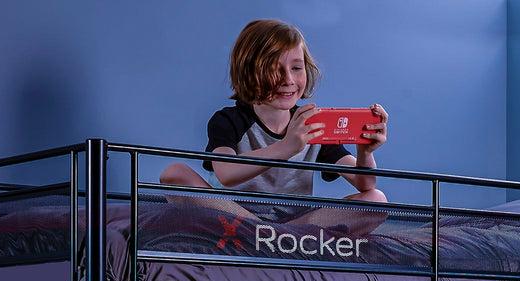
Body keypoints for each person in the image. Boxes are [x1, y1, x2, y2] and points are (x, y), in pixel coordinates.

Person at [161, 19, 388, 228]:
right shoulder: (228, 120)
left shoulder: (313, 124)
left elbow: (365, 184)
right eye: (274, 68)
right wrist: (287, 147)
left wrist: (365, 152)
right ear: (249, 72)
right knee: (175, 173)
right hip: (234, 217)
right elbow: (226, 173)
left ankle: (279, 235)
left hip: (296, 223)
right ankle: (264, 233)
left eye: (296, 68)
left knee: (376, 199)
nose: (288, 79)